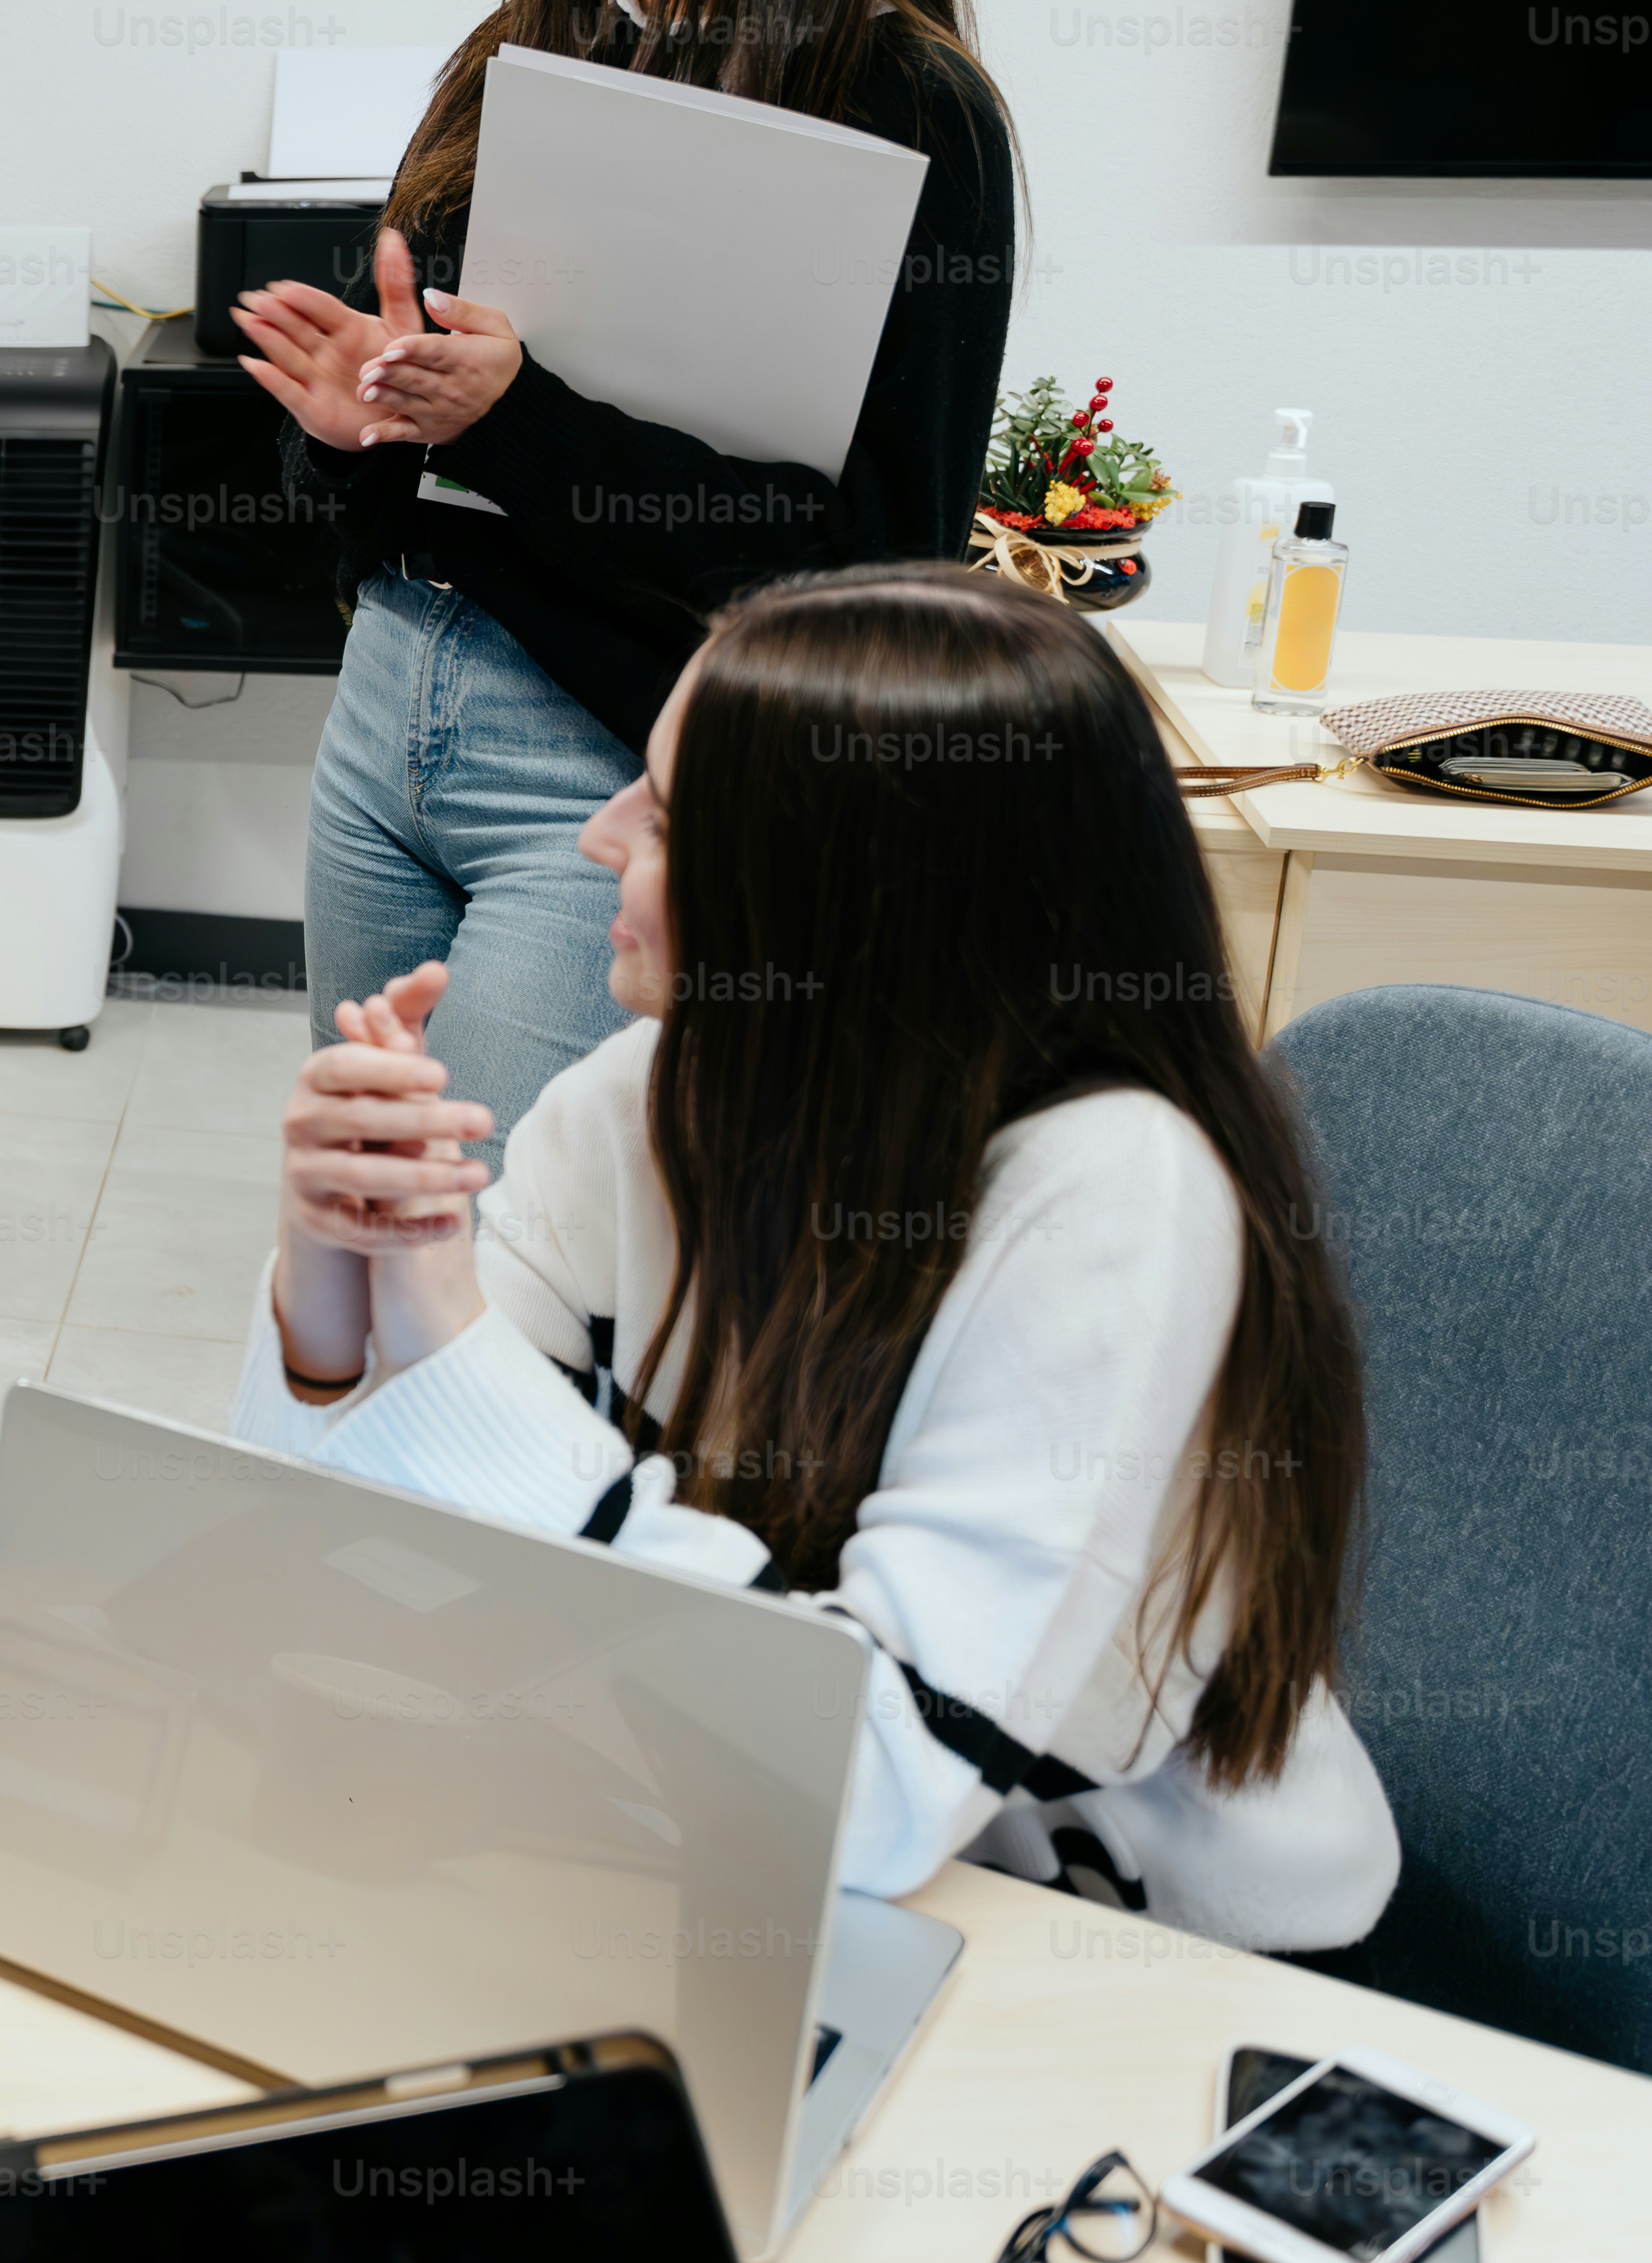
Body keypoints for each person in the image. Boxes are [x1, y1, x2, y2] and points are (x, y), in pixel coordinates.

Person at [246, 565, 1390, 1951]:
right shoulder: (634, 1100)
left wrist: (449, 1338)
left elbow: (879, 1795)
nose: (601, 836)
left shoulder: (1114, 1196)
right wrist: (333, 1288)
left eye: (666, 815)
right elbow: (353, 1581)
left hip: (1137, 1956)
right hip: (746, 1870)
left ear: (843, 900)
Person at [236, 0, 1017, 1152]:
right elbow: (411, 460)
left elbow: (872, 568)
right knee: (366, 1211)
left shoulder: (904, 106)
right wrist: (353, 431)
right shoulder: (521, 47)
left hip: (603, 770)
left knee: (496, 1276)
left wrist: (511, 419)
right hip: (386, 706)